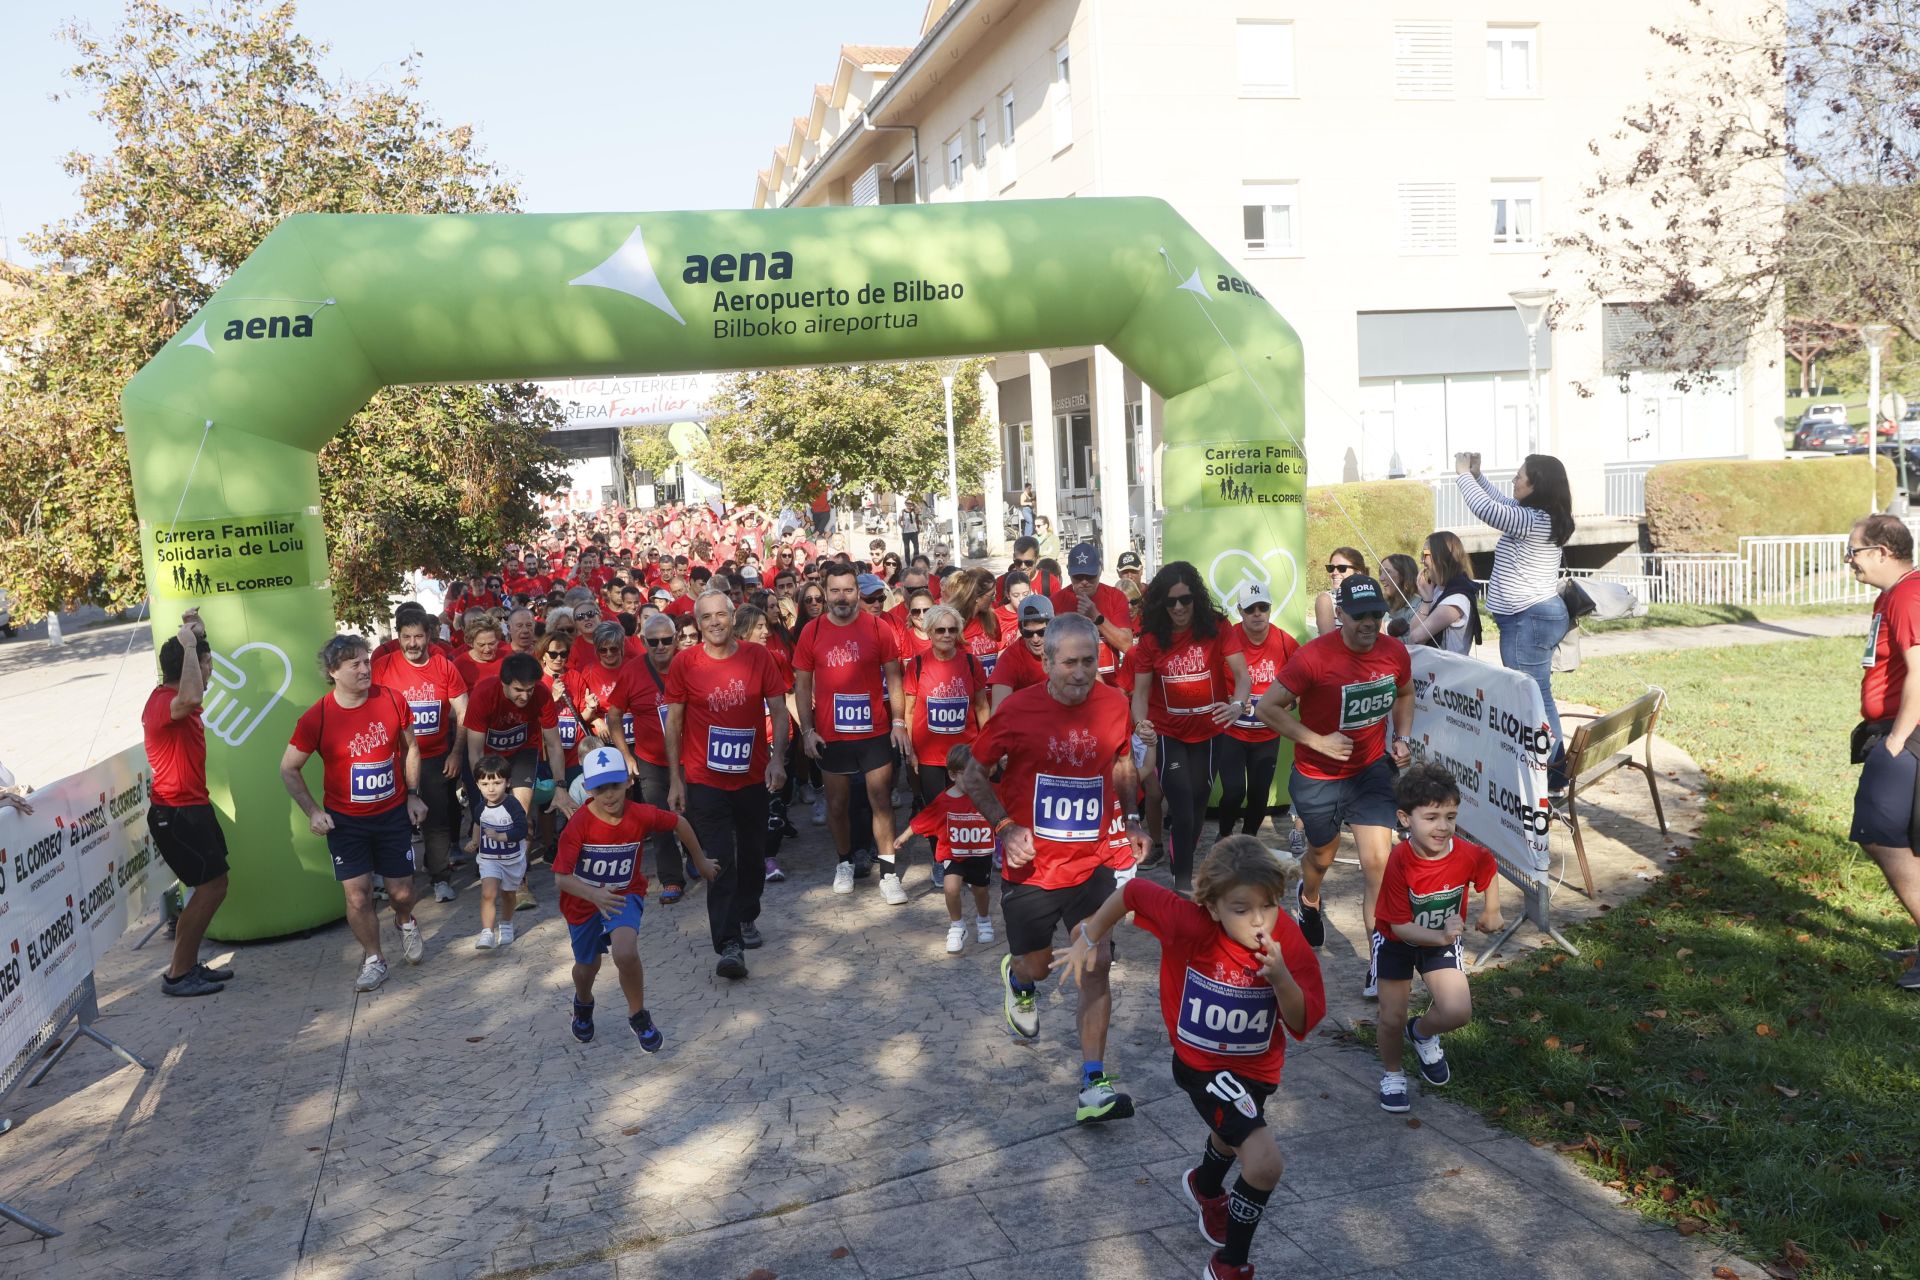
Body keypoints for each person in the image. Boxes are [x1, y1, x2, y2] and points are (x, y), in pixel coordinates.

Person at [1055, 835, 1323, 1279]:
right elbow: (1132, 893)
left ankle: (1205, 1185)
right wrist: (1089, 933)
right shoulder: (1189, 922)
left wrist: (1281, 979)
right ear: (1213, 907)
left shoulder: (1286, 941)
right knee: (1263, 1162)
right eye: (1241, 909)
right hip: (1202, 1067)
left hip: (1258, 1070)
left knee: (1233, 1128)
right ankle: (1229, 1265)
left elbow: (1301, 1022)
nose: (1259, 921)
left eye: (1269, 906)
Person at [961, 613, 1145, 1124]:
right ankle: (1018, 979)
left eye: (1090, 661)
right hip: (1033, 868)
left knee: (1097, 962)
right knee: (1038, 967)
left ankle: (1093, 1082)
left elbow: (1123, 761)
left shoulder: (1114, 704)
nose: (1082, 672)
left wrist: (1130, 818)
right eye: (1070, 663)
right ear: (1046, 662)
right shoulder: (1018, 710)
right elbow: (974, 773)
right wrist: (1003, 828)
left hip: (1094, 862)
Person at [1255, 575, 1413, 999]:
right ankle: (1309, 900)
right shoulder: (1313, 658)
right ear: (1339, 613)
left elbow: (1405, 693)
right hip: (1317, 777)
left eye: (1377, 614)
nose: (1369, 622)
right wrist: (1316, 739)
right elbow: (1268, 707)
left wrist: (1402, 737)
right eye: (1359, 615)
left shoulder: (1394, 652)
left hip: (1369, 773)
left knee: (1378, 863)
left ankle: (1379, 963)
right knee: (1321, 856)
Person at [281, 635, 432, 993]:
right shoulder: (316, 717)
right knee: (359, 896)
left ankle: (405, 920)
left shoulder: (392, 699)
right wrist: (313, 812)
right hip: (346, 822)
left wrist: (413, 795)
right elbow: (289, 768)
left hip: (392, 813)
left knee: (401, 893)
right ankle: (374, 958)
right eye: (356, 665)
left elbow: (412, 747)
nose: (366, 669)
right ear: (333, 671)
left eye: (367, 662)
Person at [553, 746, 715, 1049]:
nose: (610, 795)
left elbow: (678, 822)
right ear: (588, 788)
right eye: (601, 788)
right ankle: (583, 1004)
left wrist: (701, 860)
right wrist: (594, 895)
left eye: (615, 785)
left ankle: (638, 1015)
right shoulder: (579, 825)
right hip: (582, 902)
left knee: (625, 953)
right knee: (587, 967)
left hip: (624, 895)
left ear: (628, 782)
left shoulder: (639, 814)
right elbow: (561, 877)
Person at [665, 590, 789, 979]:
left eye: (722, 615)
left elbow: (780, 711)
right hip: (705, 779)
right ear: (697, 623)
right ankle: (729, 943)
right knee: (718, 859)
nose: (715, 622)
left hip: (752, 776)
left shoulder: (758, 657)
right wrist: (675, 778)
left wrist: (778, 759)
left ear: (733, 617)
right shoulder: (685, 663)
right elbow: (675, 723)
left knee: (752, 856)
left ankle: (747, 914)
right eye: (707, 617)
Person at [1373, 762, 1502, 1113]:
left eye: (1450, 816)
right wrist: (1443, 935)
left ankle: (1423, 1032)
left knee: (1458, 1011)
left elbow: (1487, 867)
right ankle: (1393, 1073)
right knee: (1391, 1017)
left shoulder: (1465, 853)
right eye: (1431, 817)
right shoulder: (1400, 861)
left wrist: (1492, 909)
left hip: (1440, 941)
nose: (1442, 826)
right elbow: (1399, 927)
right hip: (1397, 942)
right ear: (1405, 818)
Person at [793, 561, 912, 902]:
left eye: (848, 590)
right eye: (835, 591)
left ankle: (888, 874)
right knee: (838, 803)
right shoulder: (811, 632)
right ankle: (844, 862)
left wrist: (899, 722)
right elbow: (802, 686)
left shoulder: (878, 628)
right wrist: (807, 730)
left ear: (857, 592)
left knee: (881, 802)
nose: (842, 597)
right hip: (832, 735)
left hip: (873, 731)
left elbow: (894, 679)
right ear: (824, 592)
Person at [1455, 451, 1576, 781]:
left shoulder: (1534, 520)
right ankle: (1552, 769)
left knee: (1532, 697)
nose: (1514, 480)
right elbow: (1501, 503)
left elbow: (1487, 510)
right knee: (1538, 693)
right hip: (1531, 618)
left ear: (1537, 485)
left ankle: (1550, 774)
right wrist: (1478, 477)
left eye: (1519, 476)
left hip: (1529, 619)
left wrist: (1463, 474)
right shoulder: (1538, 515)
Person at [1130, 562, 1251, 893]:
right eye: (1171, 602)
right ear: (1160, 605)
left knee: (1198, 805)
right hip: (1168, 734)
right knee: (1181, 805)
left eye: (1185, 600)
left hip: (1210, 732)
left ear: (1196, 598)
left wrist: (1237, 705)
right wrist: (1142, 725)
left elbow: (1242, 677)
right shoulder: (1152, 639)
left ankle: (1178, 860)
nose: (1179, 608)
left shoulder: (1216, 627)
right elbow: (1139, 694)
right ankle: (1182, 885)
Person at [142, 609, 235, 997]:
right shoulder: (167, 703)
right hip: (176, 813)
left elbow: (192, 687)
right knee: (212, 887)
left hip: (191, 807)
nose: (211, 670)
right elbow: (193, 691)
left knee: (212, 885)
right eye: (207, 664)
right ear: (192, 667)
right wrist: (194, 646)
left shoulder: (175, 698)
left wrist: (198, 632)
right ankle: (178, 975)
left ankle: (186, 966)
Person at [1846, 514, 1920, 990]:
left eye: (1853, 551)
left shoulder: (1909, 595)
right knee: (1903, 839)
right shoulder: (1894, 594)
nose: (1848, 560)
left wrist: (1893, 742)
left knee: (1881, 835)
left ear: (1881, 551)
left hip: (1905, 736)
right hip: (1895, 730)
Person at [465, 652, 576, 910]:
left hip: (522, 752)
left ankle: (519, 882)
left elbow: (554, 743)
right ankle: (492, 870)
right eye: (517, 690)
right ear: (503, 682)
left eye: (529, 689)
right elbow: (474, 750)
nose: (524, 696)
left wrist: (560, 786)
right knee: (492, 816)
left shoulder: (541, 695)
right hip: (488, 759)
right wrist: (487, 792)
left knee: (520, 816)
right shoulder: (484, 694)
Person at [373, 610, 469, 903]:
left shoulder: (444, 666)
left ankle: (440, 878)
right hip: (392, 759)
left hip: (435, 756)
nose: (412, 643)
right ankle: (392, 879)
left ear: (429, 636)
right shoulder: (382, 667)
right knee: (392, 822)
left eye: (418, 637)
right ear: (397, 637)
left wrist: (456, 753)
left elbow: (464, 711)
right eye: (406, 637)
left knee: (436, 820)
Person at [610, 613, 690, 902]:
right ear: (643, 641)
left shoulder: (690, 664)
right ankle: (672, 879)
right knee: (658, 819)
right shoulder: (632, 671)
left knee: (696, 812)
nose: (660, 646)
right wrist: (624, 754)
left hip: (690, 756)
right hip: (650, 759)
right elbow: (614, 715)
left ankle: (697, 857)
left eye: (666, 640)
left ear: (676, 639)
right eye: (653, 641)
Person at [894, 743, 996, 953]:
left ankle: (983, 919)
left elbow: (1011, 806)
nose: (970, 779)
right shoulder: (944, 800)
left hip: (980, 854)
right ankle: (957, 926)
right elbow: (924, 819)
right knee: (950, 888)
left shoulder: (989, 794)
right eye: (964, 774)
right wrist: (904, 836)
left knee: (981, 890)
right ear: (951, 775)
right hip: (954, 854)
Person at [1216, 582, 1298, 840]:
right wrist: (1230, 700)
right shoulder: (1228, 640)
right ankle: (1225, 834)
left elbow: (1301, 687)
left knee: (1260, 792)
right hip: (1232, 732)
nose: (1257, 614)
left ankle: (1249, 838)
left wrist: (1284, 705)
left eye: (1263, 607)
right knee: (1233, 791)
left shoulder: (1285, 642)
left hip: (1267, 734)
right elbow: (1210, 679)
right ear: (1240, 611)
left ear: (1270, 609)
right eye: (1251, 609)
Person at [903, 603, 992, 803]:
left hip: (964, 754)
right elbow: (908, 712)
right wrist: (912, 753)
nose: (946, 635)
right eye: (940, 630)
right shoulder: (917, 665)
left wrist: (986, 749)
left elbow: (982, 707)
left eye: (952, 630)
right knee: (936, 815)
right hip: (929, 757)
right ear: (930, 632)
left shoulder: (971, 662)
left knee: (965, 814)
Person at [466, 754, 528, 949]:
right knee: (488, 893)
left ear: (507, 783)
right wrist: (475, 841)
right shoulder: (480, 807)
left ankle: (507, 923)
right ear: (477, 785)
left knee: (508, 895)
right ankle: (487, 932)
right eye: (484, 784)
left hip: (512, 859)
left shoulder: (512, 805)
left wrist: (501, 837)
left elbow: (522, 829)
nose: (491, 789)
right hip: (489, 858)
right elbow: (478, 822)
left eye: (497, 783)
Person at [1051, 542, 1136, 687]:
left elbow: (1127, 645)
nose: (1084, 582)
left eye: (1090, 576)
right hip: (1071, 687)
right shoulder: (1056, 601)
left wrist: (1096, 617)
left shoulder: (1115, 597)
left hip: (1111, 686)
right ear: (1068, 572)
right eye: (1078, 577)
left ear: (1100, 570)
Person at [1398, 531, 1482, 654]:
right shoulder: (1438, 590)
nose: (1421, 561)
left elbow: (1416, 638)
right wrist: (1426, 601)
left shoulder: (1457, 597)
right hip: (1434, 668)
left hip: (1448, 670)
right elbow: (1413, 631)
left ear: (1440, 556)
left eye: (1425, 554)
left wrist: (1427, 601)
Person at [990, 594, 1053, 710]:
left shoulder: (1066, 648)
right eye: (1028, 633)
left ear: (1052, 627)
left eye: (1041, 632)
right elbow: (998, 712)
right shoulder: (1010, 658)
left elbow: (1096, 691)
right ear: (1020, 631)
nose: (1035, 639)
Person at [1311, 547, 1366, 638]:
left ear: (1357, 572)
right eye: (1331, 568)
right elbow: (1329, 641)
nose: (1334, 572)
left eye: (1341, 568)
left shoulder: (1369, 597)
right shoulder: (1325, 600)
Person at [899, 497, 921, 563]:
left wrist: (914, 504)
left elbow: (919, 510)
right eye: (907, 503)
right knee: (906, 548)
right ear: (905, 504)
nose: (909, 505)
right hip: (905, 532)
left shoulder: (914, 510)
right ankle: (908, 563)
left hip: (914, 531)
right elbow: (899, 521)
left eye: (910, 503)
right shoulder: (902, 511)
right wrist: (901, 526)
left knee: (916, 547)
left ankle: (915, 561)